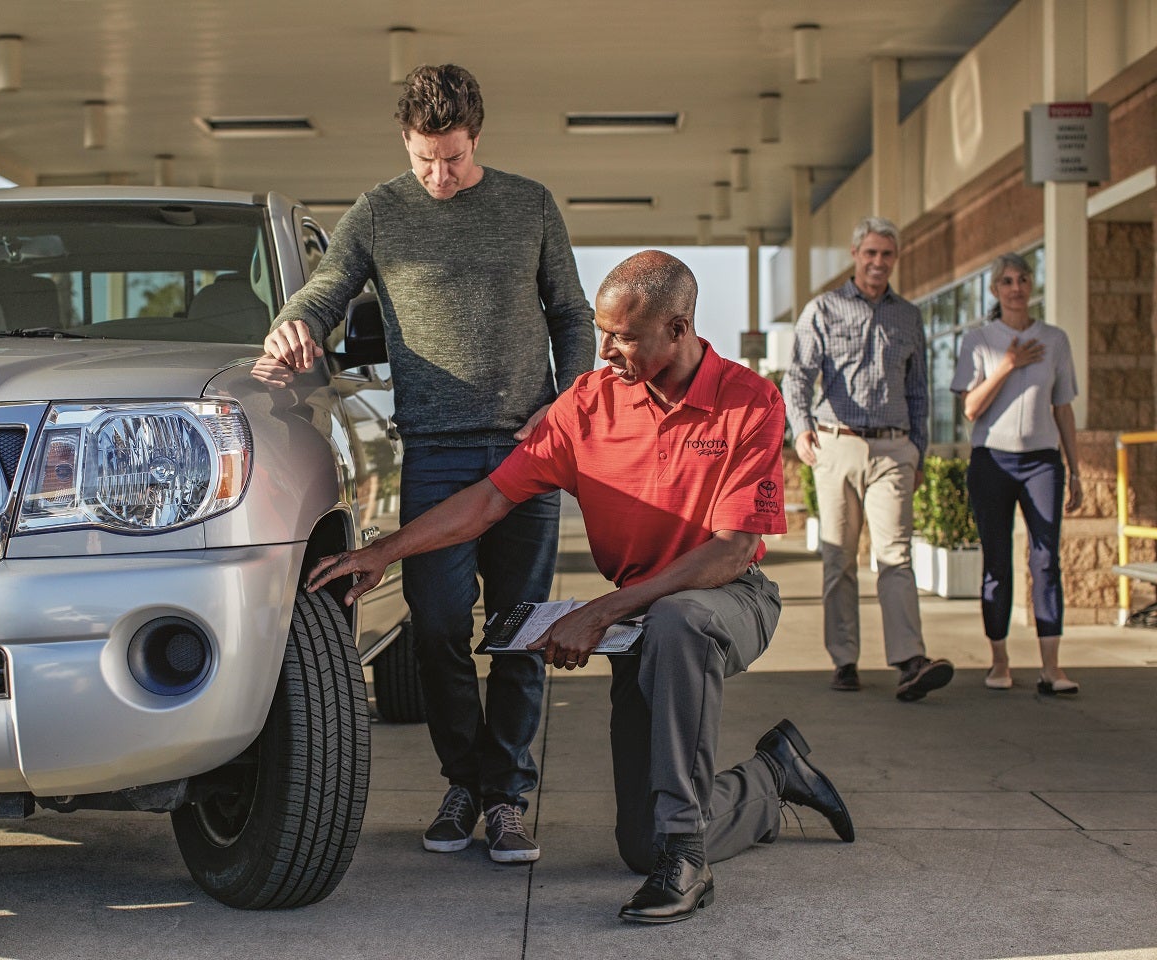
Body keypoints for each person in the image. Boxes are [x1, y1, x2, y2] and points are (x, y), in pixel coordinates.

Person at [307, 251, 855, 924]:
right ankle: (771, 780)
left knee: (681, 622)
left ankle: (688, 857)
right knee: (636, 845)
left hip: (728, 598)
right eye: (602, 330)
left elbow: (734, 548)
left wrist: (602, 612)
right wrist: (383, 552)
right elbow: (488, 500)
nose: (605, 348)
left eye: (624, 335)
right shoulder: (589, 405)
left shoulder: (748, 400)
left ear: (678, 329)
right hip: (640, 620)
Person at [258, 64, 596, 864]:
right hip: (438, 452)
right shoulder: (380, 211)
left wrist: (572, 395)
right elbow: (328, 288)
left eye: (451, 158)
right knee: (438, 626)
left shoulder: (529, 204)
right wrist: (290, 324)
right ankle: (464, 782)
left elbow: (571, 313)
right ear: (405, 143)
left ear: (475, 137)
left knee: (519, 631)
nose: (439, 177)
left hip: (526, 448)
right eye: (424, 160)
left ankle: (507, 797)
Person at [783, 216, 954, 701]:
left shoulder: (909, 317)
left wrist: (918, 449)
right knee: (838, 557)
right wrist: (801, 431)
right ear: (856, 255)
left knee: (896, 554)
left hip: (894, 449)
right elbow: (797, 377)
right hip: (837, 445)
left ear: (895, 259)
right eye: (871, 253)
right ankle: (845, 658)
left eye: (887, 254)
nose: (879, 262)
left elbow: (919, 391)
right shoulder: (824, 309)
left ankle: (909, 660)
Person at [952, 252, 1082, 694]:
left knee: (1046, 559)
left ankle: (1052, 667)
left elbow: (1062, 407)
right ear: (995, 290)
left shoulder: (1055, 340)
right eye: (1006, 281)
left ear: (1031, 285)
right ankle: (1000, 661)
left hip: (1042, 461)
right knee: (998, 563)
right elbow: (970, 408)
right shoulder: (980, 340)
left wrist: (1076, 470)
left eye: (1023, 279)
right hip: (992, 460)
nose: (1015, 287)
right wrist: (1008, 364)